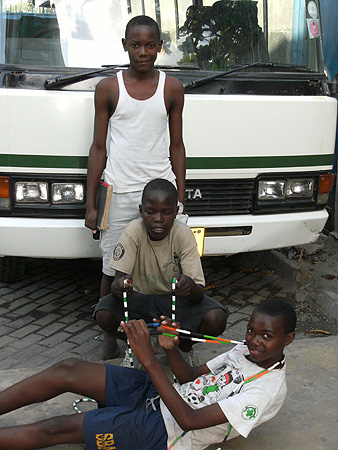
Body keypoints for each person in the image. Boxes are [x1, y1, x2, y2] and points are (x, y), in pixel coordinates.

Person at [0, 298, 296, 450]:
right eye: (251, 331)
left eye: (266, 336)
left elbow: (189, 421)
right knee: (69, 369)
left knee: (57, 428)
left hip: (167, 432)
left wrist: (150, 360)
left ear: (288, 339)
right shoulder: (243, 351)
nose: (254, 341)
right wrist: (169, 348)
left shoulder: (265, 391)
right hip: (162, 396)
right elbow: (191, 379)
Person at [85, 15, 186, 298]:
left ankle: (159, 329)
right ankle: (108, 332)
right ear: (125, 45)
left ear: (160, 46)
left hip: (161, 195)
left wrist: (181, 194)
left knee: (165, 267)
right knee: (112, 268)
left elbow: (176, 146)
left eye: (150, 45)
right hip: (119, 192)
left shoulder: (172, 88)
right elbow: (98, 148)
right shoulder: (108, 88)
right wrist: (91, 203)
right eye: (136, 45)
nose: (143, 52)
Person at [94, 178, 229, 359]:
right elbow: (116, 283)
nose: (158, 220)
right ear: (141, 211)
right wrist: (121, 286)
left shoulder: (183, 234)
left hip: (173, 301)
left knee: (216, 318)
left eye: (166, 213)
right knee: (103, 313)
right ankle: (142, 344)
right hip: (140, 299)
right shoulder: (133, 230)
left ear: (176, 212)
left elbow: (198, 293)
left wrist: (188, 286)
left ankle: (182, 345)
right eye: (151, 212)